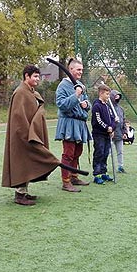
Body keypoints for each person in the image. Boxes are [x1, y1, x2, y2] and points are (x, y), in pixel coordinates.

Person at [2, 65, 61, 205]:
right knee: (21, 163)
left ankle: (24, 192)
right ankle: (19, 195)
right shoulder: (21, 93)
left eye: (38, 76)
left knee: (27, 163)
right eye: (35, 76)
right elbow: (18, 117)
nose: (37, 79)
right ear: (26, 76)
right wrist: (27, 135)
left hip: (30, 134)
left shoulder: (31, 92)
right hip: (22, 135)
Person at [54, 58, 92, 192]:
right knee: (68, 153)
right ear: (70, 70)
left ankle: (74, 176)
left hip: (80, 123)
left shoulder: (81, 85)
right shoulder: (62, 86)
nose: (81, 72)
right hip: (69, 123)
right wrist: (76, 95)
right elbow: (62, 105)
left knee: (77, 152)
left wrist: (86, 105)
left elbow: (88, 103)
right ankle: (66, 181)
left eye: (82, 69)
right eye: (78, 69)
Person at [91, 84, 115, 184]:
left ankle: (103, 172)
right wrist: (106, 127)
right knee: (99, 153)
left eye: (109, 94)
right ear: (101, 93)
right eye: (107, 94)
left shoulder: (107, 107)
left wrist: (112, 128)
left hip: (107, 135)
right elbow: (98, 120)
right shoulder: (96, 106)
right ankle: (97, 174)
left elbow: (112, 118)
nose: (108, 96)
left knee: (105, 153)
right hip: (99, 134)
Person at [110, 90, 127, 173]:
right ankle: (104, 167)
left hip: (119, 134)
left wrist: (124, 132)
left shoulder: (121, 109)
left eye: (118, 97)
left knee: (120, 151)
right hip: (111, 134)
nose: (117, 98)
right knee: (108, 152)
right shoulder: (108, 108)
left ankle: (120, 166)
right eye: (115, 96)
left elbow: (123, 121)